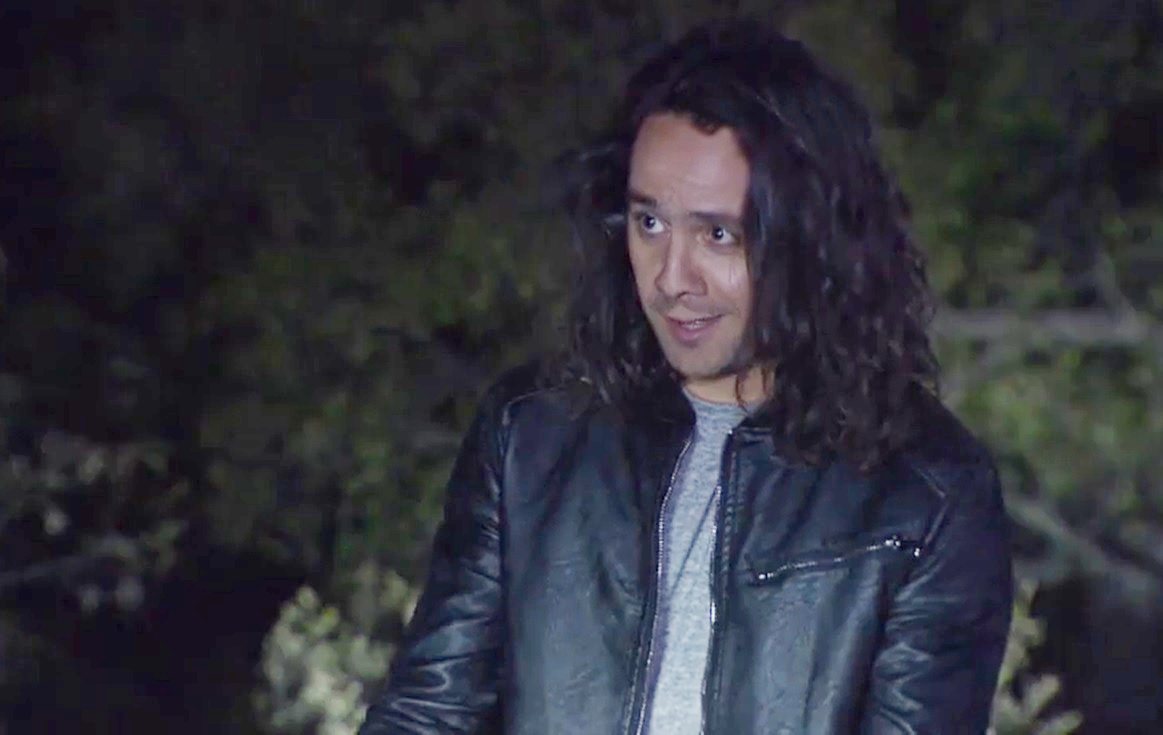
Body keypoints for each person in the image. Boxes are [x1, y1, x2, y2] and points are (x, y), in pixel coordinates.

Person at [359, 20, 1012, 735]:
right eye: (649, 223)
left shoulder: (928, 493)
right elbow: (427, 712)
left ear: (810, 239)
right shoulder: (530, 432)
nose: (672, 278)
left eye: (718, 234)